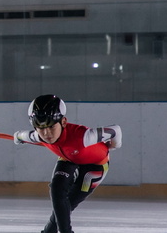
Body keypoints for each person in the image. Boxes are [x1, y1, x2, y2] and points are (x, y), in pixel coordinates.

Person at [13, 94, 122, 233]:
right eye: (40, 128)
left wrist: (114, 146)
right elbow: (24, 135)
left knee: (68, 204)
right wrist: (17, 137)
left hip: (96, 166)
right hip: (69, 159)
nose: (47, 134)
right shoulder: (38, 135)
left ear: (64, 122)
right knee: (57, 191)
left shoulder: (84, 136)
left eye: (52, 127)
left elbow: (115, 130)